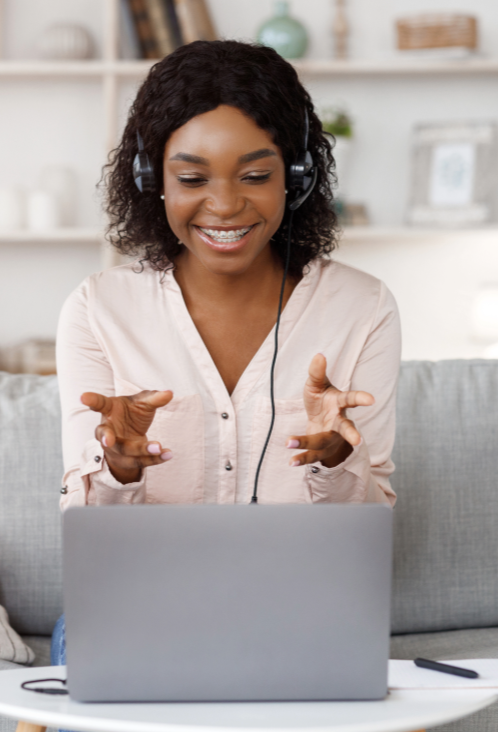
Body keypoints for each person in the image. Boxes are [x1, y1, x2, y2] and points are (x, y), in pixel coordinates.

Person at [52, 40, 400, 669]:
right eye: (191, 178)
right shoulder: (98, 309)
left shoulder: (362, 308)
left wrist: (339, 463)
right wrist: (119, 467)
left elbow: (367, 541)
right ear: (150, 179)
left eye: (256, 175)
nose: (224, 205)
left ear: (298, 178)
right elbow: (88, 537)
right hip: (136, 606)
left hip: (303, 608)